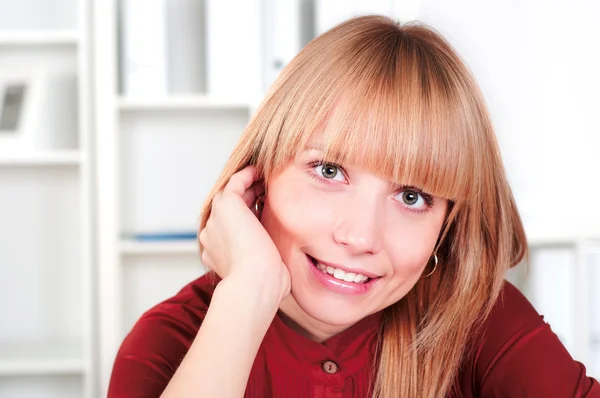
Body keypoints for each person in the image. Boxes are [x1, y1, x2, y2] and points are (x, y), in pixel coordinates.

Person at [107, 15, 600, 397]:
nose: (361, 236)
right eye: (328, 171)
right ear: (258, 176)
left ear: (446, 225)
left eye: (412, 197)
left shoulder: (478, 323)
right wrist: (247, 294)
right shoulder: (171, 344)